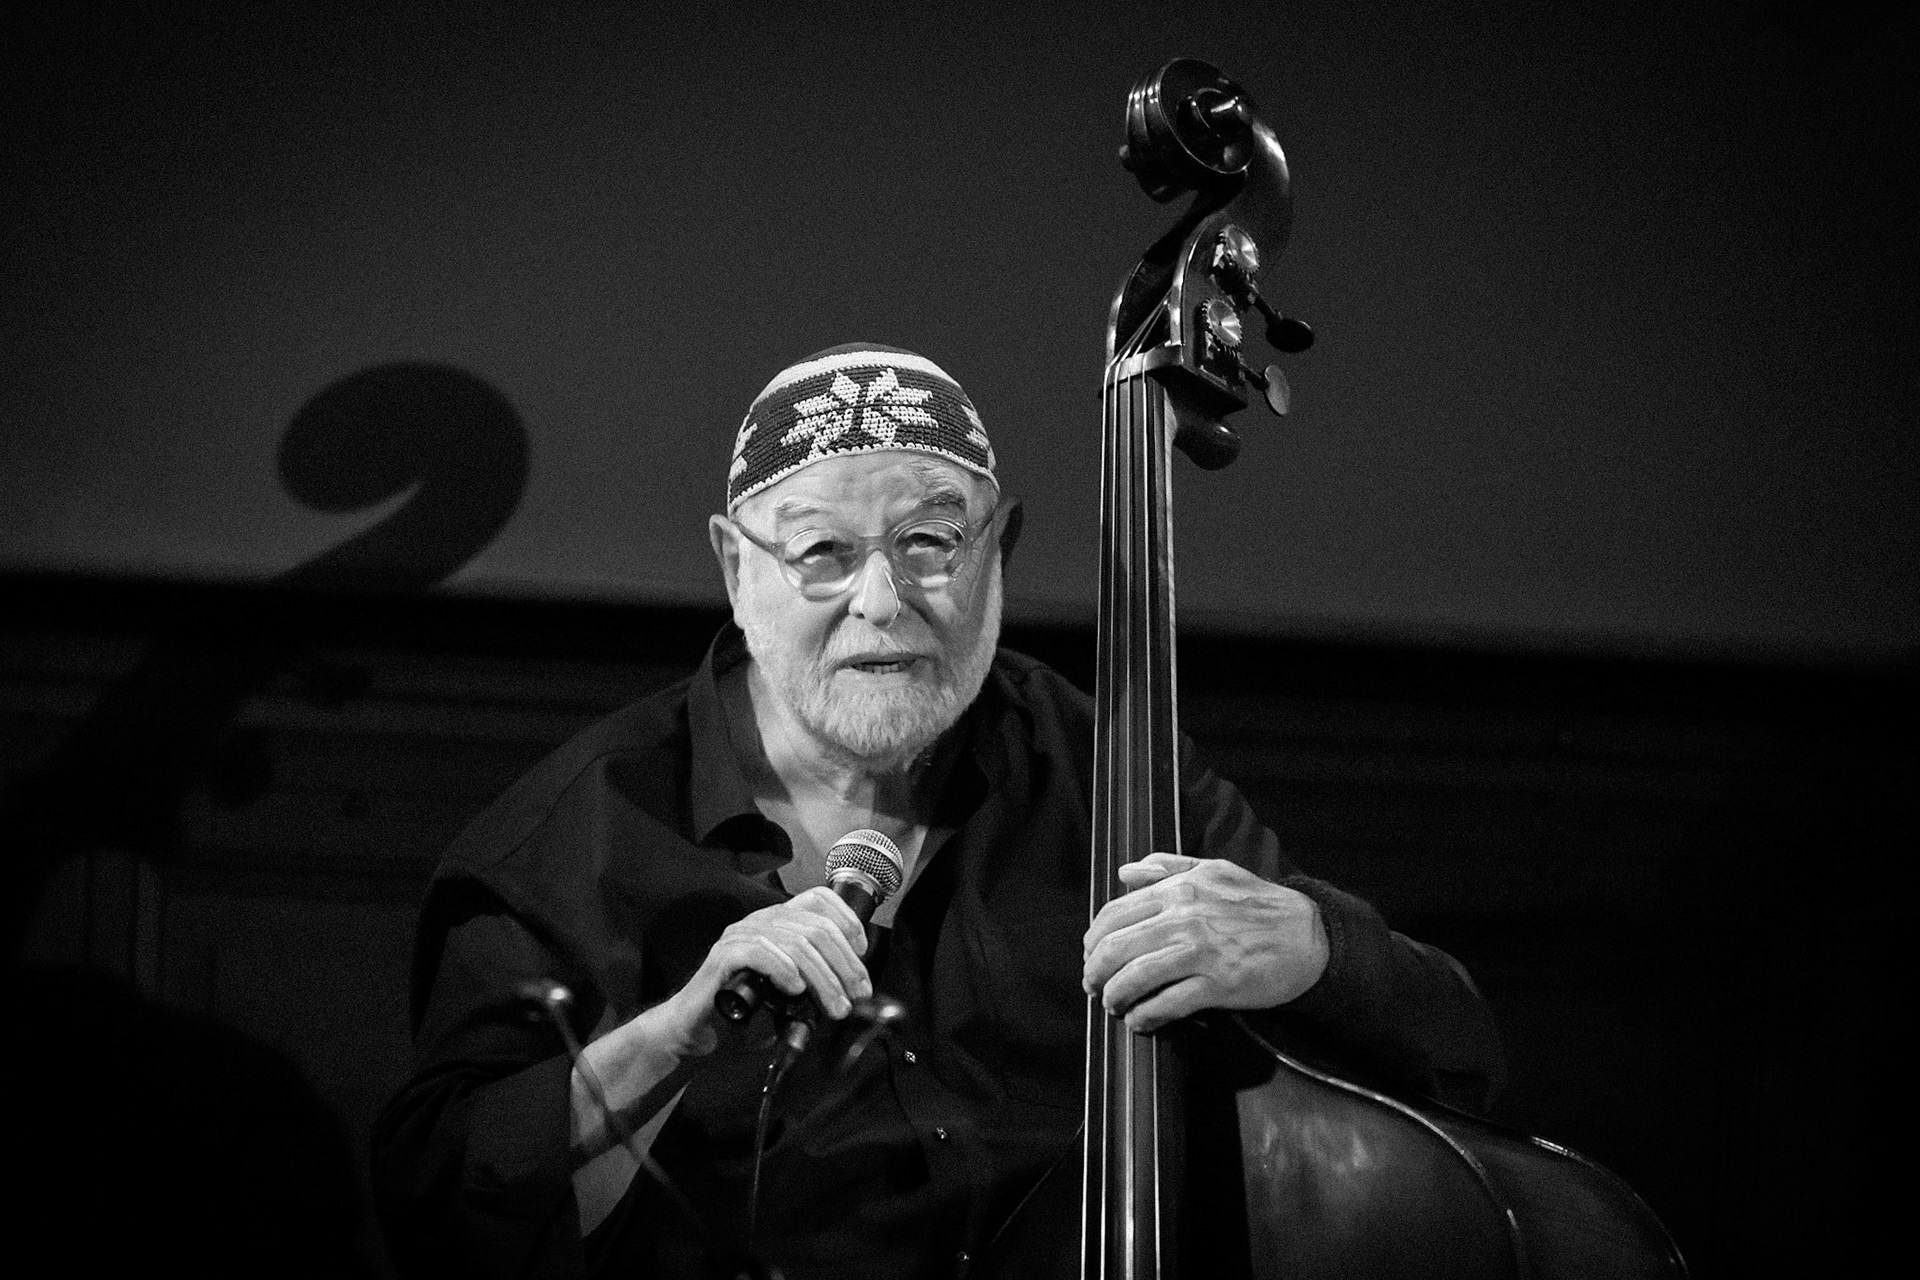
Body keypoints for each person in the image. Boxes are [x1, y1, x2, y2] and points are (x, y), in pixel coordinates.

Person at [371, 344, 1505, 1279]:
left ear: (997, 550)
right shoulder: (570, 838)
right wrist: (673, 1038)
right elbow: (442, 1210)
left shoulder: (1108, 769)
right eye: (822, 551)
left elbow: (1460, 1060)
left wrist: (1311, 948)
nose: (883, 601)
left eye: (929, 542)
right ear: (734, 565)